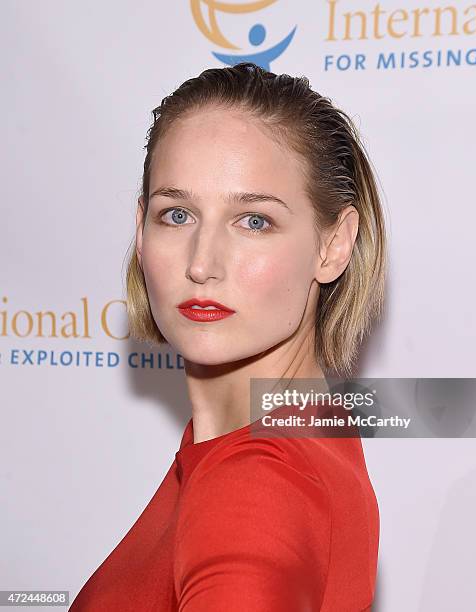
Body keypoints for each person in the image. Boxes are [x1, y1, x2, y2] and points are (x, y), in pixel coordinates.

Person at [69, 61, 386, 611]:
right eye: (177, 215)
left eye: (254, 220)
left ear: (334, 245)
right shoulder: (304, 433)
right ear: (141, 229)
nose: (202, 264)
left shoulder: (258, 481)